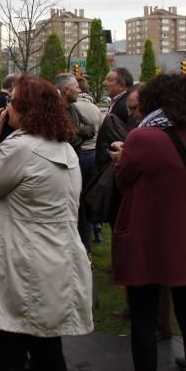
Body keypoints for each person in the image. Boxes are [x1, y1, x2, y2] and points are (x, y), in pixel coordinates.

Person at [0, 75, 93, 371]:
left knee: (7, 354)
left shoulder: (20, 149)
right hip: (55, 262)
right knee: (47, 350)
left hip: (20, 266)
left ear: (25, 109)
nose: (6, 106)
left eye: (11, 101)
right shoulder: (64, 148)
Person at [112, 74, 186, 371]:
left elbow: (123, 180)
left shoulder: (143, 138)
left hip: (148, 239)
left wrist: (122, 158)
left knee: (144, 320)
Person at [54, 74, 103, 251]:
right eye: (75, 87)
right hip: (64, 165)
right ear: (66, 90)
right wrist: (78, 134)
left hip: (77, 160)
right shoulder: (56, 110)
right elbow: (67, 137)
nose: (79, 90)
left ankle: (83, 246)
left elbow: (89, 128)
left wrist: (78, 134)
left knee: (81, 207)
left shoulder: (73, 108)